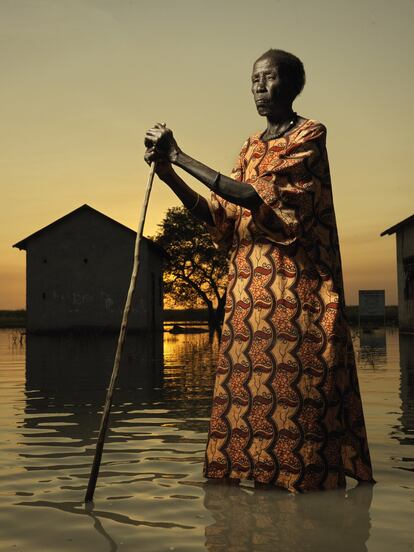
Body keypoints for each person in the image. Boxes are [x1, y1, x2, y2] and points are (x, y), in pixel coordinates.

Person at [144, 48, 375, 493]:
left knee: (301, 406)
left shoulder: (310, 134)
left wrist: (182, 154)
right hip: (248, 306)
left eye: (268, 79)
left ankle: (310, 510)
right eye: (253, 81)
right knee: (246, 412)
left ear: (292, 85)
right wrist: (169, 172)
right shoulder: (250, 146)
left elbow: (254, 196)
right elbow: (219, 214)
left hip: (297, 300)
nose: (259, 88)